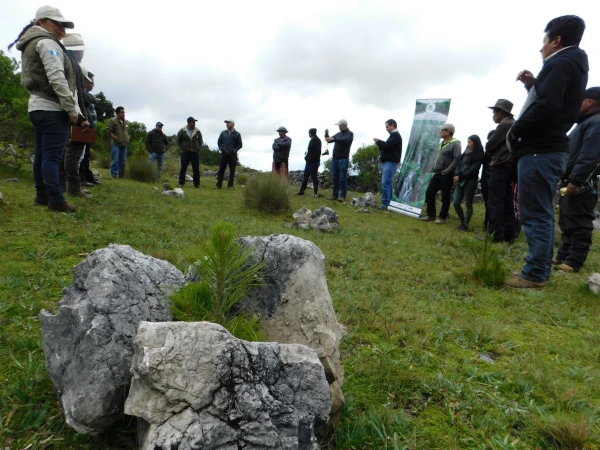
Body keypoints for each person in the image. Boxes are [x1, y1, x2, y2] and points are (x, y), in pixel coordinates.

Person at [506, 15, 588, 289]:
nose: (541, 47)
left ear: (557, 40)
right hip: (548, 149)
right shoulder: (572, 64)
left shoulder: (560, 63)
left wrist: (517, 130)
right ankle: (538, 268)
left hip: (540, 150)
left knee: (535, 213)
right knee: (541, 211)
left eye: (544, 40)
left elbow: (547, 105)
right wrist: (533, 85)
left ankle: (535, 274)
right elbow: (554, 99)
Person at [10, 5, 89, 213]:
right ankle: (56, 200)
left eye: (64, 25)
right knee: (52, 157)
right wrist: (72, 110)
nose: (63, 29)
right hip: (52, 108)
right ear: (42, 22)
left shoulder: (33, 41)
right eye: (58, 23)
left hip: (37, 106)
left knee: (42, 155)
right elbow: (56, 78)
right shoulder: (47, 42)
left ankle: (42, 195)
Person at [554, 87, 600, 273]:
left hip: (581, 183)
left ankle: (574, 261)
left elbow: (591, 156)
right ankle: (563, 256)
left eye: (580, 101)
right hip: (571, 179)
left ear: (589, 102)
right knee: (567, 219)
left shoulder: (596, 122)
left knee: (579, 220)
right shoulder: (586, 123)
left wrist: (576, 181)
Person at [485, 99, 517, 242]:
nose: (493, 115)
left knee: (495, 202)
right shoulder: (513, 123)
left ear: (501, 113)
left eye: (494, 112)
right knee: (507, 202)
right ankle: (509, 236)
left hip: (501, 165)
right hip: (510, 166)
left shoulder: (505, 125)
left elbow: (490, 146)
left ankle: (495, 236)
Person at [420, 124, 461, 223]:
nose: (440, 132)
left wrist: (448, 170)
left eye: (442, 130)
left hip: (447, 174)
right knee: (429, 192)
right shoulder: (441, 143)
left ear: (448, 132)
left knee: (445, 196)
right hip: (437, 172)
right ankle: (431, 215)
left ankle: (442, 217)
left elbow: (457, 158)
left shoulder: (456, 144)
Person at [451, 135, 484, 230]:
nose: (468, 144)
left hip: (470, 181)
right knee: (456, 202)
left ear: (475, 143)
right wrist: (457, 175)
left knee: (468, 203)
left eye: (470, 142)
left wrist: (460, 176)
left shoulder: (479, 155)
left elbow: (473, 169)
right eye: (468, 142)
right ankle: (463, 221)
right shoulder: (465, 152)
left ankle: (465, 224)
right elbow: (459, 164)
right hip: (460, 179)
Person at [373, 119, 402, 211]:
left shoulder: (396, 136)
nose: (386, 128)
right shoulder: (393, 136)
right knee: (387, 183)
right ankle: (389, 203)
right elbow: (387, 147)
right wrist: (380, 144)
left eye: (387, 126)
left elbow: (388, 146)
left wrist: (379, 142)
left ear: (392, 125)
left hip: (390, 163)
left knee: (386, 183)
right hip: (388, 163)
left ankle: (386, 204)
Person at [325, 119, 354, 202]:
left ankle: (342, 196)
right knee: (335, 178)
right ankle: (335, 195)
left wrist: (335, 139)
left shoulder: (350, 134)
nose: (339, 127)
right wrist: (326, 134)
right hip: (335, 158)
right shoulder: (338, 134)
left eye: (340, 126)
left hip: (343, 158)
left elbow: (346, 141)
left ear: (344, 125)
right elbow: (329, 140)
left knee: (342, 178)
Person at [79, 69, 99, 187]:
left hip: (89, 128)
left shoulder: (87, 94)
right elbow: (88, 98)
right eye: (91, 82)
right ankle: (81, 178)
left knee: (86, 154)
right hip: (83, 127)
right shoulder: (82, 92)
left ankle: (87, 176)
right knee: (81, 154)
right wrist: (92, 98)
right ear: (85, 81)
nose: (93, 85)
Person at [177, 117, 203, 188]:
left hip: (195, 152)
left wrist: (197, 147)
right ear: (188, 123)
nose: (194, 123)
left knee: (196, 168)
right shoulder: (182, 131)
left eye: (194, 122)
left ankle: (197, 184)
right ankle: (181, 183)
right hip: (186, 152)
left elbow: (200, 141)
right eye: (192, 122)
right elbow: (179, 140)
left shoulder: (197, 131)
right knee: (183, 168)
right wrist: (183, 147)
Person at [216, 120, 242, 189]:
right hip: (224, 154)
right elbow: (219, 142)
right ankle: (218, 185)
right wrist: (221, 148)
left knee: (232, 170)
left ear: (233, 124)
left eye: (228, 123)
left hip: (232, 155)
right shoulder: (223, 133)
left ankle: (230, 186)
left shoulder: (237, 134)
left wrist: (235, 150)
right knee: (221, 169)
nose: (227, 124)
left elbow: (240, 145)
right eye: (226, 123)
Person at [296, 128, 322, 197]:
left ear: (310, 133)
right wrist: (307, 157)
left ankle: (315, 193)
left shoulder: (317, 141)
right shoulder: (312, 140)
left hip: (314, 162)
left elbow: (318, 153)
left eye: (309, 133)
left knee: (314, 177)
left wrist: (309, 158)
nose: (308, 134)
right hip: (309, 162)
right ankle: (301, 191)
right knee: (305, 176)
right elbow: (310, 151)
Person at [108, 106, 130, 178]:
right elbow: (109, 131)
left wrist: (128, 138)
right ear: (117, 113)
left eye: (124, 112)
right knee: (115, 160)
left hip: (124, 144)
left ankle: (121, 175)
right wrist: (115, 138)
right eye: (122, 112)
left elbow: (129, 132)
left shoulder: (126, 122)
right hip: (116, 144)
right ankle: (114, 174)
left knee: (123, 160)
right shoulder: (113, 121)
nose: (123, 114)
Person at [481, 129, 495, 229]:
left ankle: (489, 223)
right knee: (488, 202)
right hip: (485, 180)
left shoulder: (496, 151)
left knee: (491, 203)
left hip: (491, 180)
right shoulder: (488, 151)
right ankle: (487, 223)